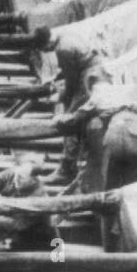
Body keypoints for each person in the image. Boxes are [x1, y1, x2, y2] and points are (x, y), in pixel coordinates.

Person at [52, 73, 137, 195]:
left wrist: (57, 119)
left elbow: (73, 121)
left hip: (114, 135)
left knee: (112, 184)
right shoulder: (135, 91)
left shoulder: (98, 94)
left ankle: (108, 208)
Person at [43, 32, 100, 186]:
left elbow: (72, 80)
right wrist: (55, 79)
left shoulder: (63, 49)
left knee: (70, 119)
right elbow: (71, 68)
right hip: (91, 69)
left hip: (88, 75)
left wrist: (63, 97)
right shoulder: (65, 37)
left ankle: (66, 169)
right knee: (75, 114)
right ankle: (73, 162)